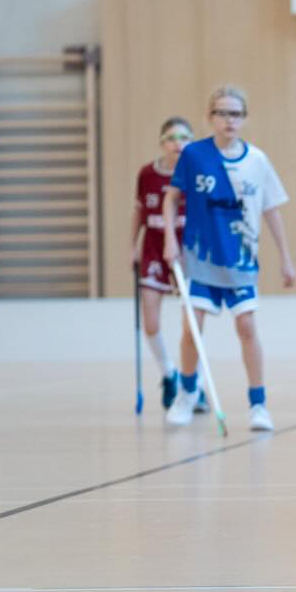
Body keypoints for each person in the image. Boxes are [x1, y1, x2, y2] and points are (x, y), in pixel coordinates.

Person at [162, 86, 296, 432]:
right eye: (222, 113)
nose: (229, 120)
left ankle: (258, 405)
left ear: (244, 118)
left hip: (240, 261)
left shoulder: (257, 160)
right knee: (192, 328)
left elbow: (271, 210)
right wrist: (168, 240)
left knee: (247, 327)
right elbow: (172, 198)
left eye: (235, 114)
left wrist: (285, 258)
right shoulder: (194, 155)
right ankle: (187, 393)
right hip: (199, 259)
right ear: (210, 117)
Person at [131, 117, 192, 409]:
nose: (177, 143)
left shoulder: (196, 173)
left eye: (183, 137)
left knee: (192, 322)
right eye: (171, 137)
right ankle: (169, 374)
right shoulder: (147, 174)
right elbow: (138, 212)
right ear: (161, 143)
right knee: (151, 320)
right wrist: (133, 246)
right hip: (155, 247)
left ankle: (195, 383)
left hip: (187, 248)